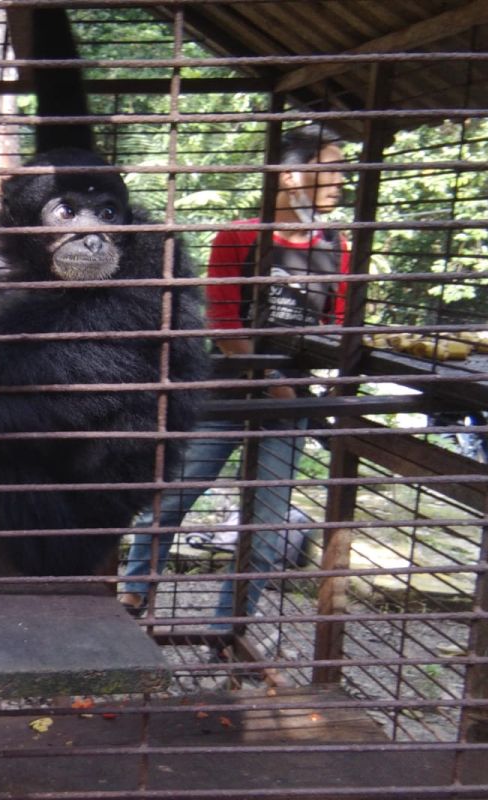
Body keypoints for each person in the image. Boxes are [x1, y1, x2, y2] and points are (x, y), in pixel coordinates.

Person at [118, 123, 350, 630]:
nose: (340, 182)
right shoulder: (241, 235)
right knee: (172, 496)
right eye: (330, 168)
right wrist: (271, 377)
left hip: (290, 403)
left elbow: (335, 325)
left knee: (267, 526)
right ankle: (133, 599)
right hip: (226, 392)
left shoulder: (336, 244)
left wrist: (321, 387)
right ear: (291, 176)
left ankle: (228, 629)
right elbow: (222, 322)